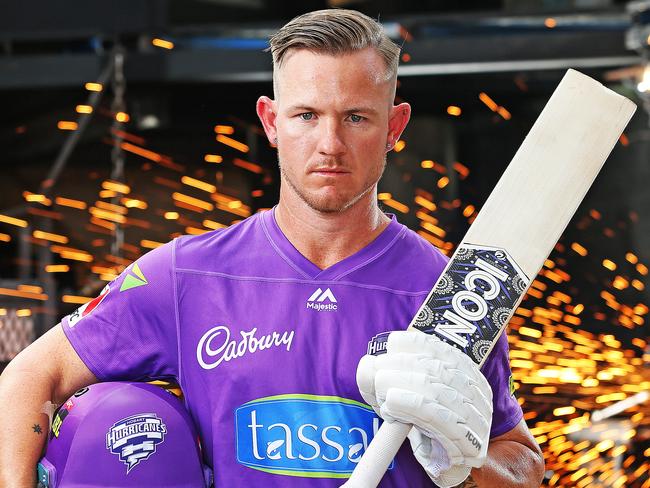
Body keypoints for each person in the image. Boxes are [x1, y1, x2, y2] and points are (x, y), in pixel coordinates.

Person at [0, 8, 544, 487]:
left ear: (394, 126)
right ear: (271, 121)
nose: (330, 144)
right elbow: (28, 375)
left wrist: (464, 464)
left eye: (356, 117)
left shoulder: (449, 294)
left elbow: (523, 464)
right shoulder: (187, 275)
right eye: (306, 116)